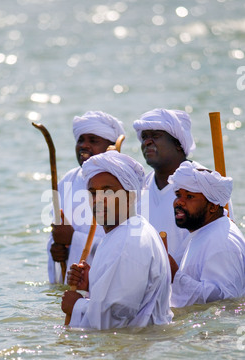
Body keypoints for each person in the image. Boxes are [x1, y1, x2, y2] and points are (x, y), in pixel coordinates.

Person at [61, 150, 173, 330]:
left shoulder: (128, 242)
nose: (98, 200)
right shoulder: (127, 231)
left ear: (130, 196)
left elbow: (114, 321)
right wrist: (92, 284)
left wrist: (76, 305)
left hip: (133, 351)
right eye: (93, 193)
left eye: (108, 191)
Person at [47, 111, 125, 284]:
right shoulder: (68, 180)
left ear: (111, 147)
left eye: (93, 140)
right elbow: (57, 235)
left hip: (110, 283)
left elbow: (124, 246)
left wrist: (73, 239)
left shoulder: (122, 183)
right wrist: (57, 249)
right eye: (80, 140)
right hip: (72, 282)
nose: (84, 145)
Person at [167, 161, 245, 308]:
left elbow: (225, 303)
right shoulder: (205, 232)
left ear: (213, 206)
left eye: (189, 197)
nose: (179, 202)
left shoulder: (222, 241)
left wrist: (174, 276)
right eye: (178, 195)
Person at [133, 108, 204, 264]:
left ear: (178, 144)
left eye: (155, 136)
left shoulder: (204, 184)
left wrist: (173, 274)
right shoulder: (139, 188)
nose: (147, 142)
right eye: (144, 137)